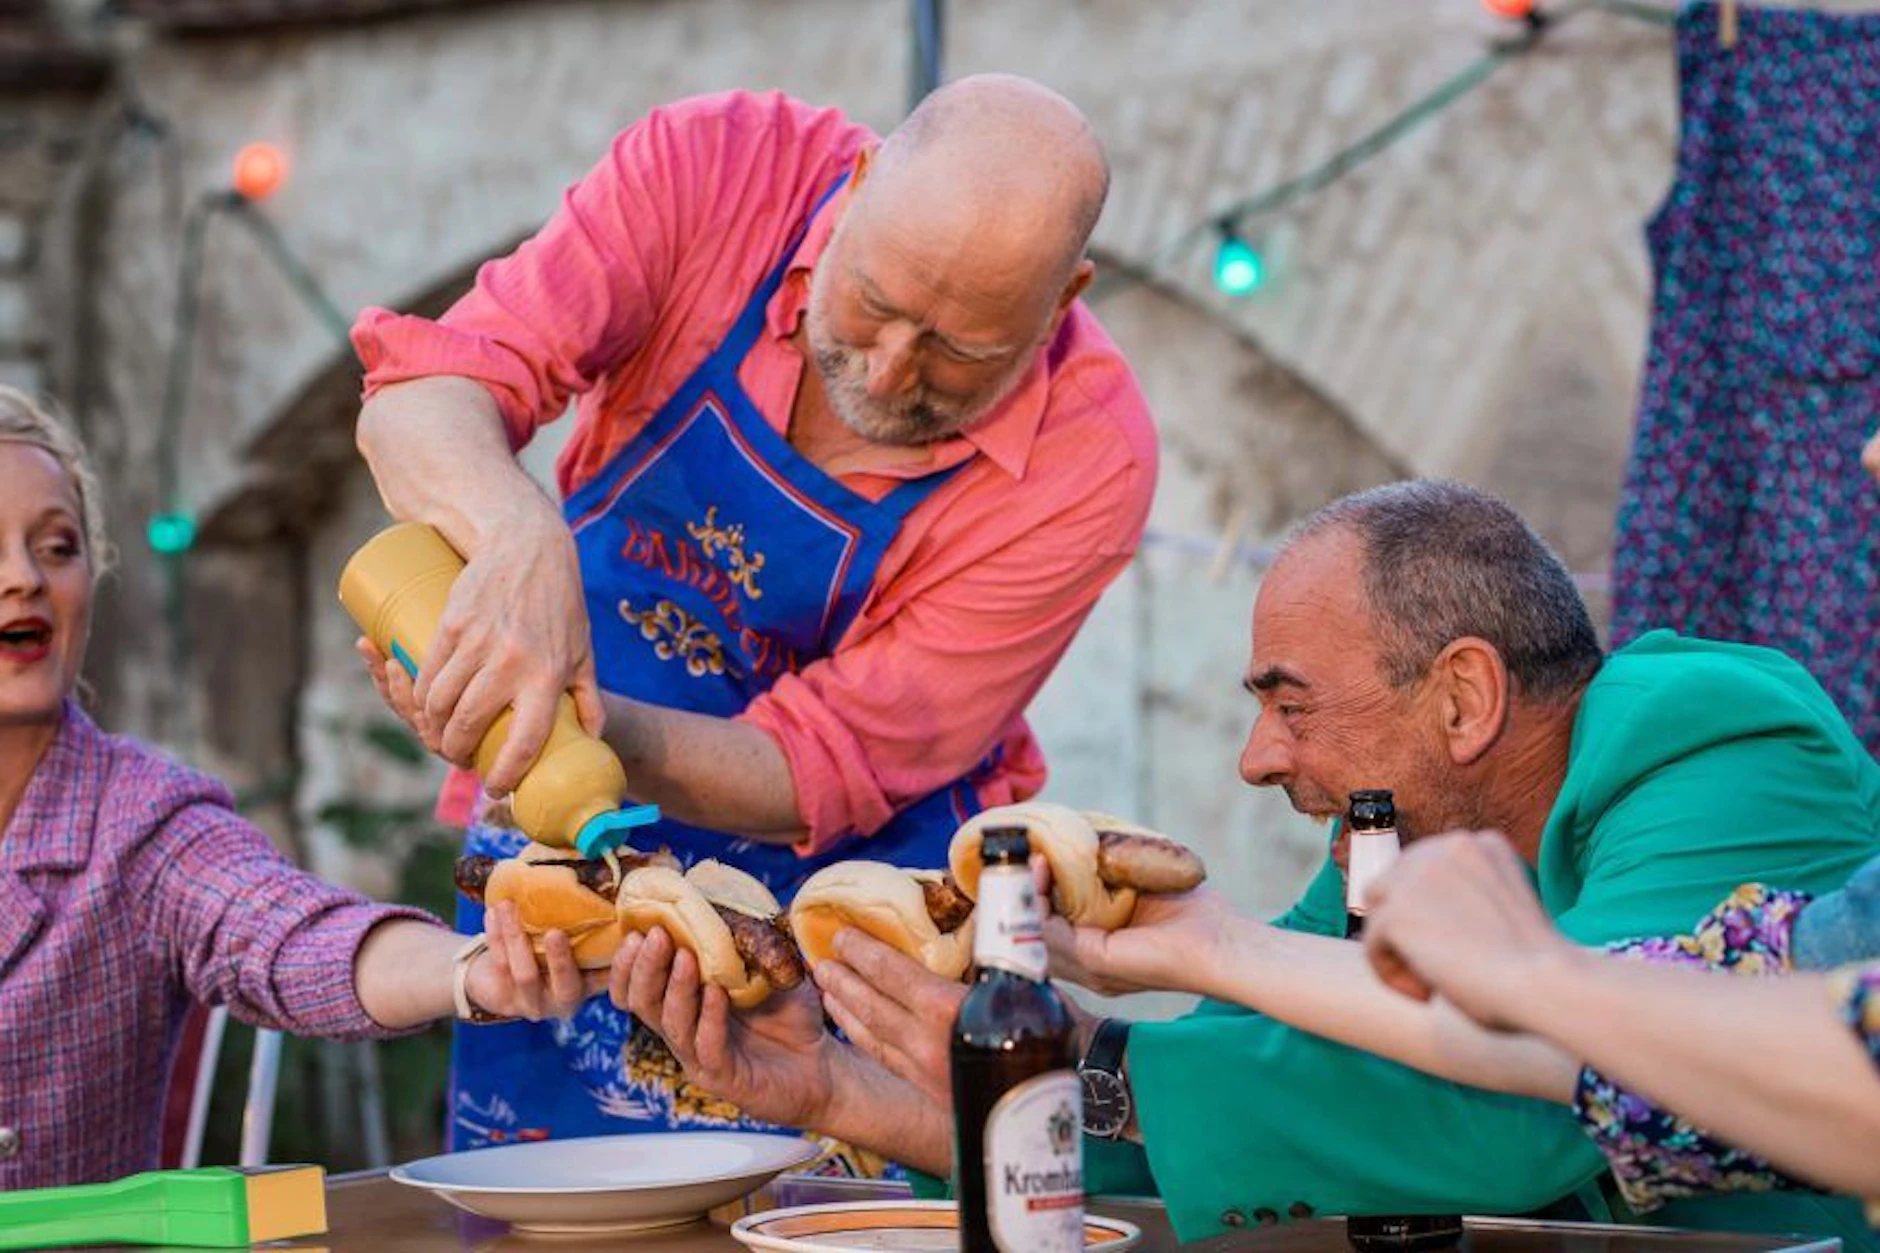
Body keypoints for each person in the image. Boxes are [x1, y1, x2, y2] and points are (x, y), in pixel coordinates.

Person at [610, 478, 1880, 1248]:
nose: (1255, 758)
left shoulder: (1714, 734)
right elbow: (1223, 1100)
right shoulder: (1387, 837)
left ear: (1461, 697)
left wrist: (1126, 1037)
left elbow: (1544, 1102)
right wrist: (841, 1088)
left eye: (1290, 702)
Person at [347, 74, 1154, 1151]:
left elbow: (822, 761)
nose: (888, 372)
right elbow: (420, 396)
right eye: (871, 303)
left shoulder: (1091, 457)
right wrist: (516, 543)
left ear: (1062, 301)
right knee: (553, 1201)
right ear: (858, 182)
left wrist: (560, 722)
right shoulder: (717, 169)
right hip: (562, 843)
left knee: (827, 1209)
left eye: (958, 354)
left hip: (857, 903)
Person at [0, 388, 598, 1190]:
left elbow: (290, 934)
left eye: (57, 546)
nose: (24, 578)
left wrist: (468, 968)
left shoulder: (136, 820)